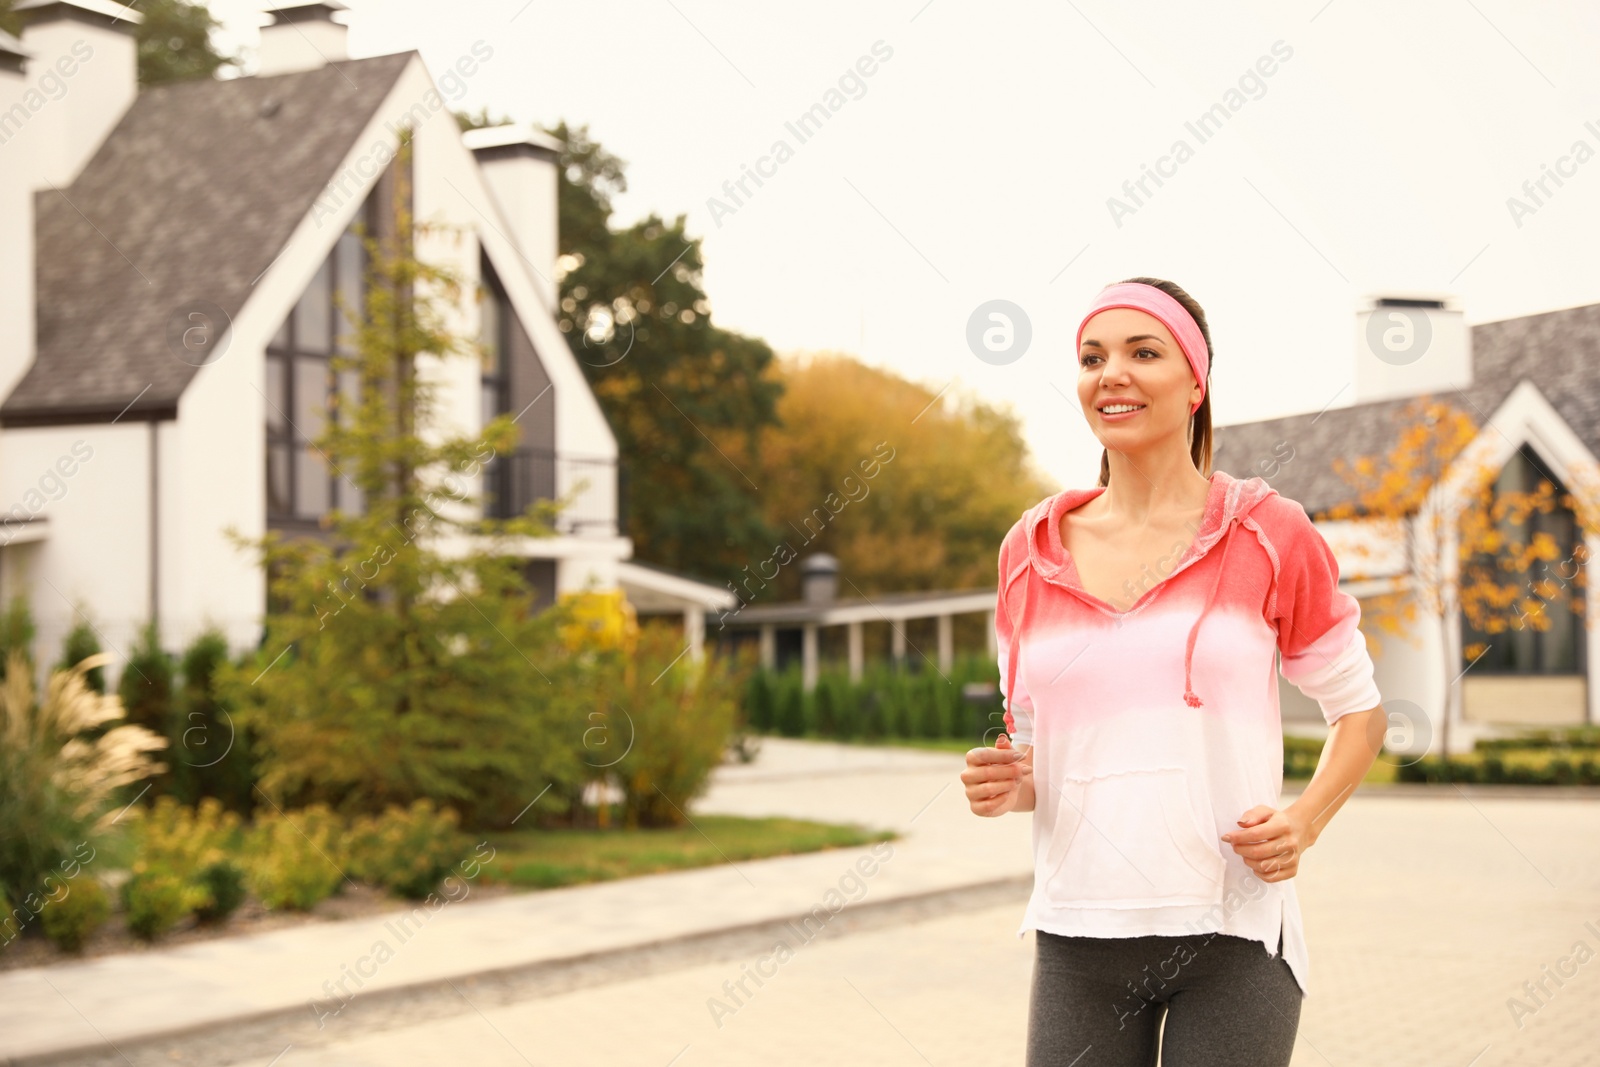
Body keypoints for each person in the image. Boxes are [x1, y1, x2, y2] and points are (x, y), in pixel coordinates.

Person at [961, 277, 1388, 1066]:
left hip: (1232, 933)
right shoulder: (1028, 549)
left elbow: (1359, 713)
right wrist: (1008, 785)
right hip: (1078, 937)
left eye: (1142, 352)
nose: (1110, 373)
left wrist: (1306, 820)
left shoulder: (1268, 532)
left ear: (1195, 383)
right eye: (1092, 357)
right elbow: (1039, 763)